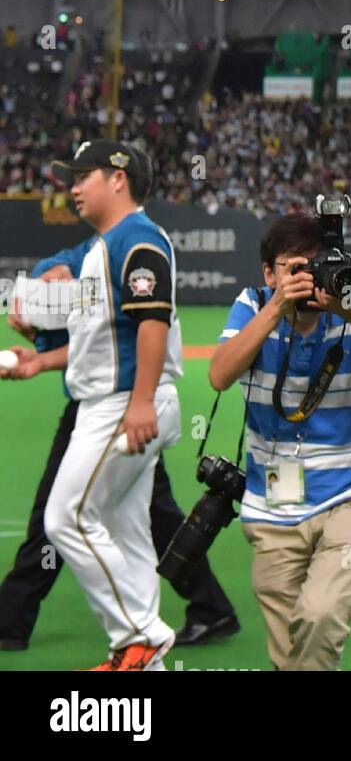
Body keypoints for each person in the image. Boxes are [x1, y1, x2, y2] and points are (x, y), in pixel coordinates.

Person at [0, 279, 238, 652]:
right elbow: (90, 343)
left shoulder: (124, 257)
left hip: (116, 410)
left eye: (58, 276)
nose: (53, 279)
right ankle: (209, 607)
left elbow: (129, 340)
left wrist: (141, 403)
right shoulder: (99, 258)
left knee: (60, 514)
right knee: (153, 515)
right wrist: (40, 343)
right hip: (112, 406)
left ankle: (11, 620)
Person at [209, 214, 351, 672]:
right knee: (288, 647)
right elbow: (219, 375)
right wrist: (276, 310)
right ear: (269, 274)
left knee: (319, 613)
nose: (307, 278)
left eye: (316, 266)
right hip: (275, 496)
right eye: (294, 269)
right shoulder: (253, 305)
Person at [27, 139, 185, 670]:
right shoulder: (103, 247)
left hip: (123, 404)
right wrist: (38, 361)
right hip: (117, 400)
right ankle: (149, 668)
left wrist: (140, 403)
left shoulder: (137, 238)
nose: (72, 186)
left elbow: (152, 322)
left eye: (82, 174)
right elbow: (105, 335)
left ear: (118, 177)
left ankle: (139, 636)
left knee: (65, 516)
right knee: (128, 531)